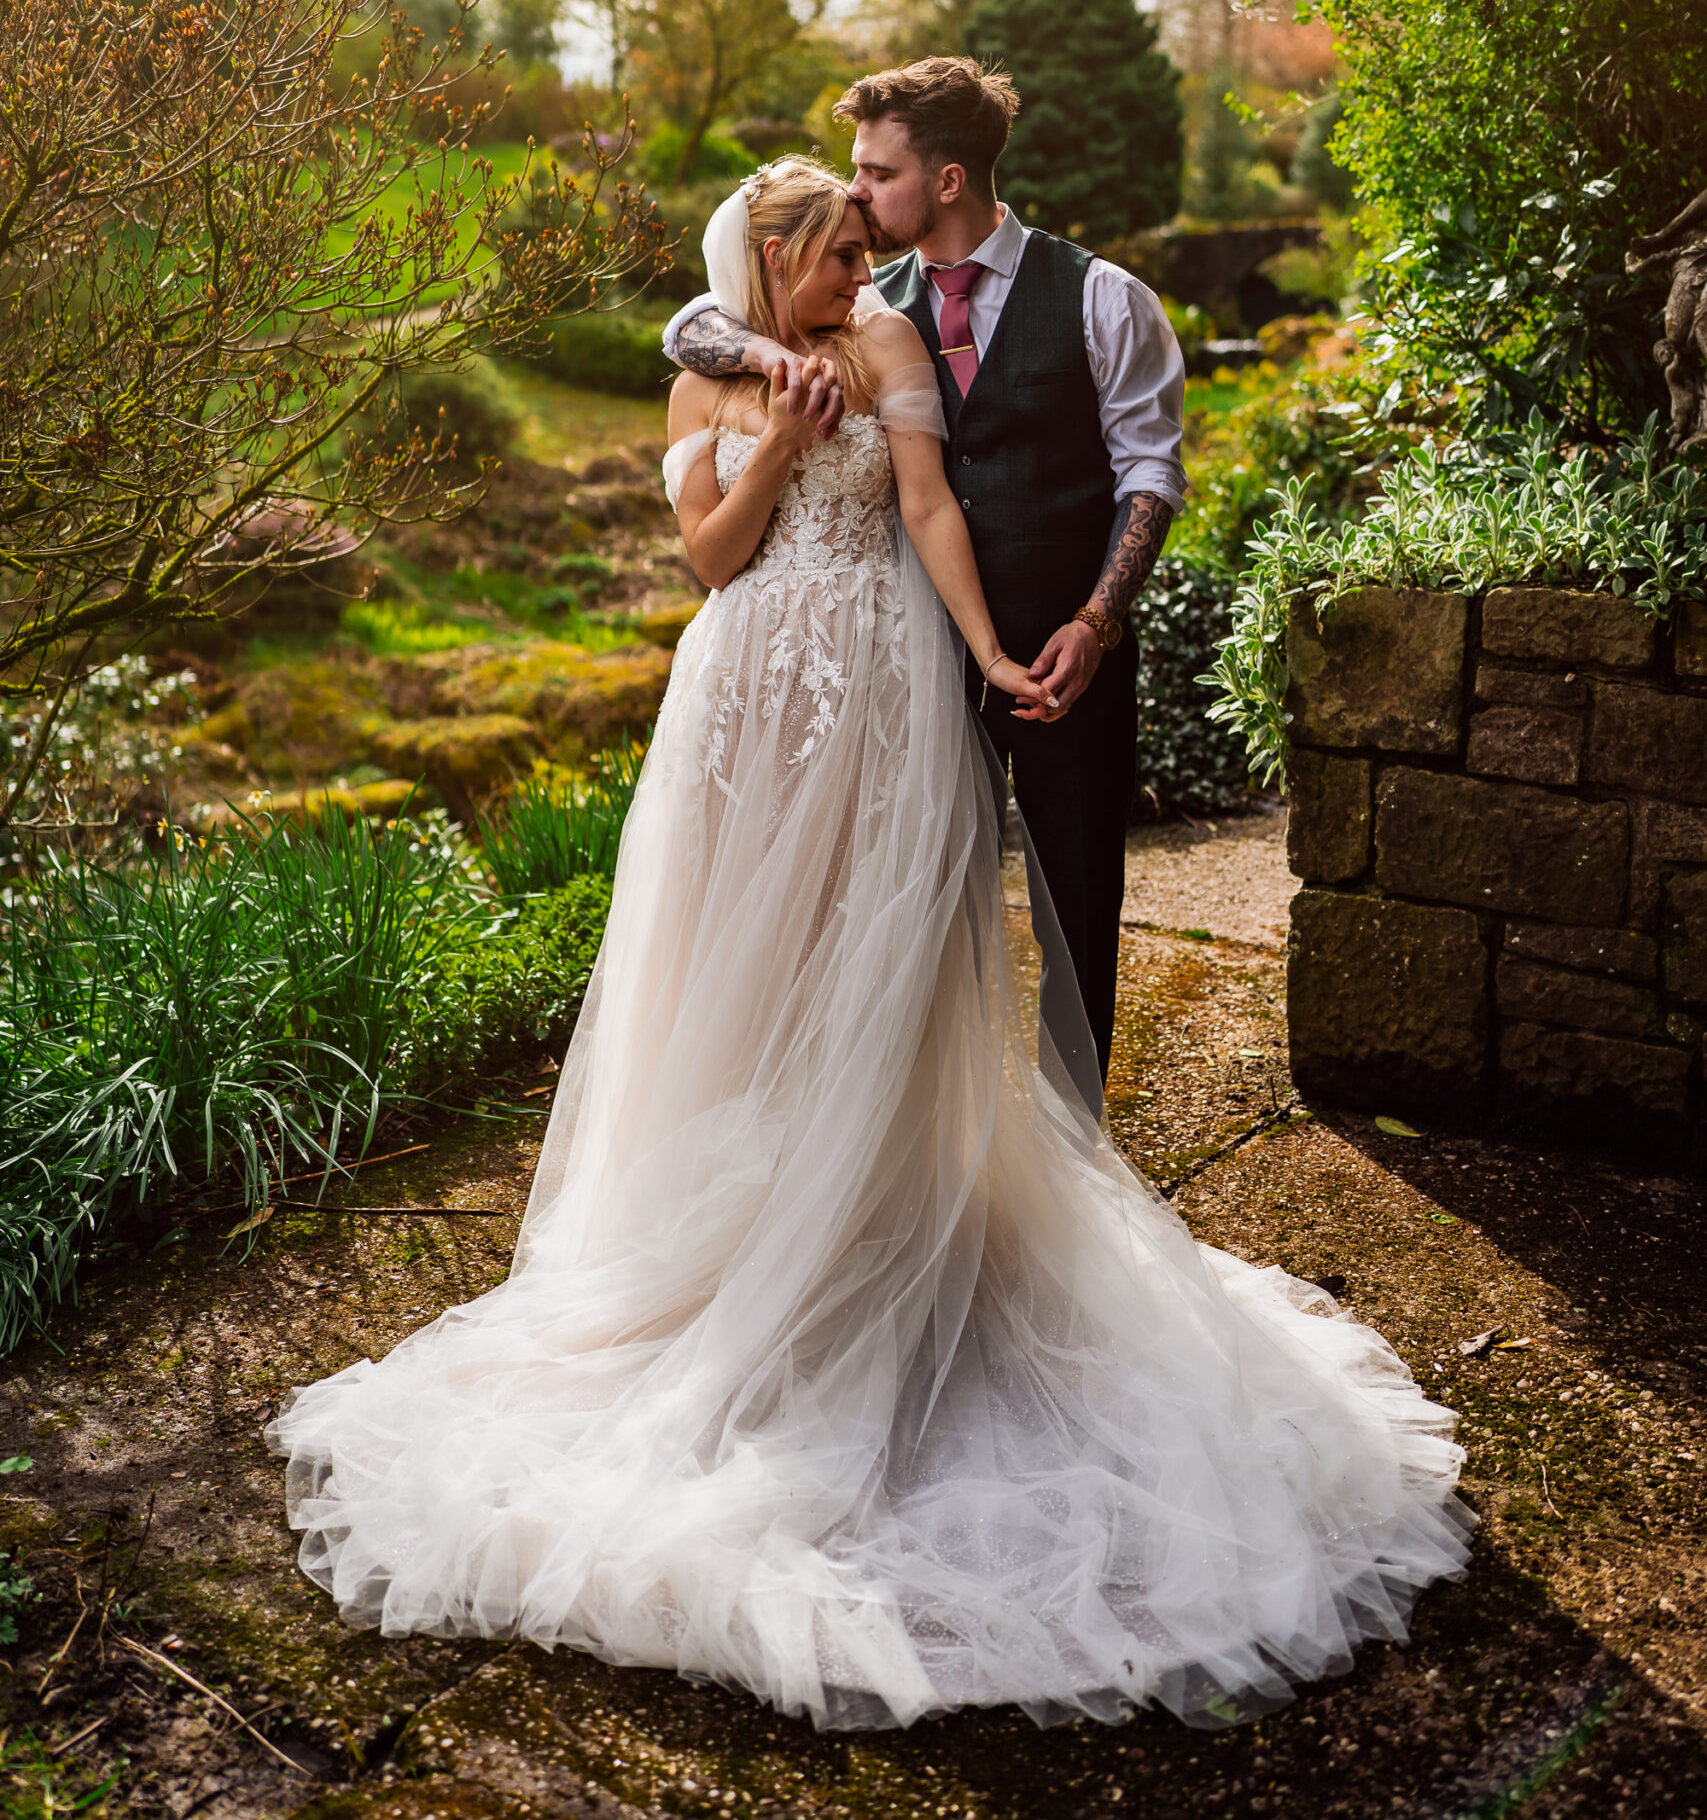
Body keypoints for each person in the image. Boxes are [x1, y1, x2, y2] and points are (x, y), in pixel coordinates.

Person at [268, 158, 1471, 1734]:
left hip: (886, 693)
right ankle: (735, 1243)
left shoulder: (893, 347)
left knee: (877, 972)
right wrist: (769, 435)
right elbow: (707, 557)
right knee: (740, 978)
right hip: (744, 700)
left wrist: (982, 655)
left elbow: (923, 508)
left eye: (865, 243)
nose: (864, 270)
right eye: (839, 252)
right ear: (774, 255)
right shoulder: (711, 360)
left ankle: (871, 1233)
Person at [664, 57, 1184, 1080]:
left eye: (874, 172)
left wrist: (1096, 618)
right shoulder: (860, 300)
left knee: (1076, 906)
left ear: (947, 179)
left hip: (1054, 650)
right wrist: (773, 373)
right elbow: (696, 323)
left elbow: (1151, 476)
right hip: (895, 662)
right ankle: (928, 1136)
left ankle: (1073, 1155)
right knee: (908, 916)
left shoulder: (1102, 298)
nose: (853, 195)